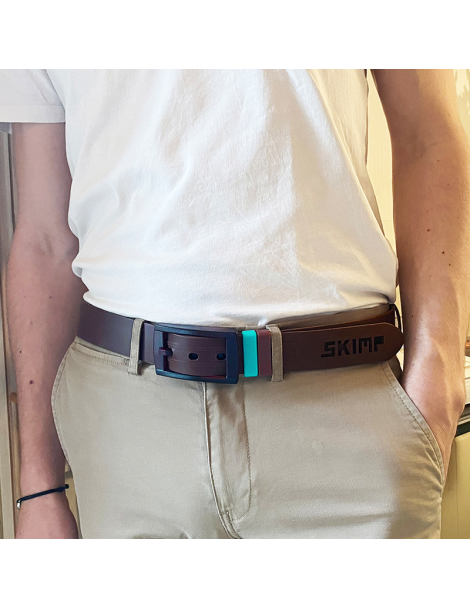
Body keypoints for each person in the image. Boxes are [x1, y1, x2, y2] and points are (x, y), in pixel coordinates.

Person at [0, 69, 469, 539]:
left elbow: (428, 136)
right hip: (124, 432)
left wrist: (438, 385)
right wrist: (39, 486)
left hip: (345, 416)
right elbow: (44, 240)